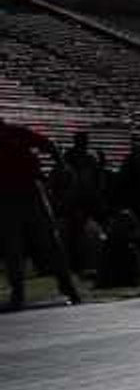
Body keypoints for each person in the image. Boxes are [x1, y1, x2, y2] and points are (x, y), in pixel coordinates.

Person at [0, 118, 82, 311]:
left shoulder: (16, 132)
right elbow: (48, 145)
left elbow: (48, 144)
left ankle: (67, 287)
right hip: (6, 196)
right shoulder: (15, 132)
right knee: (14, 247)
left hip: (30, 191)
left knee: (48, 241)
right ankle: (18, 293)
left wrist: (61, 164)